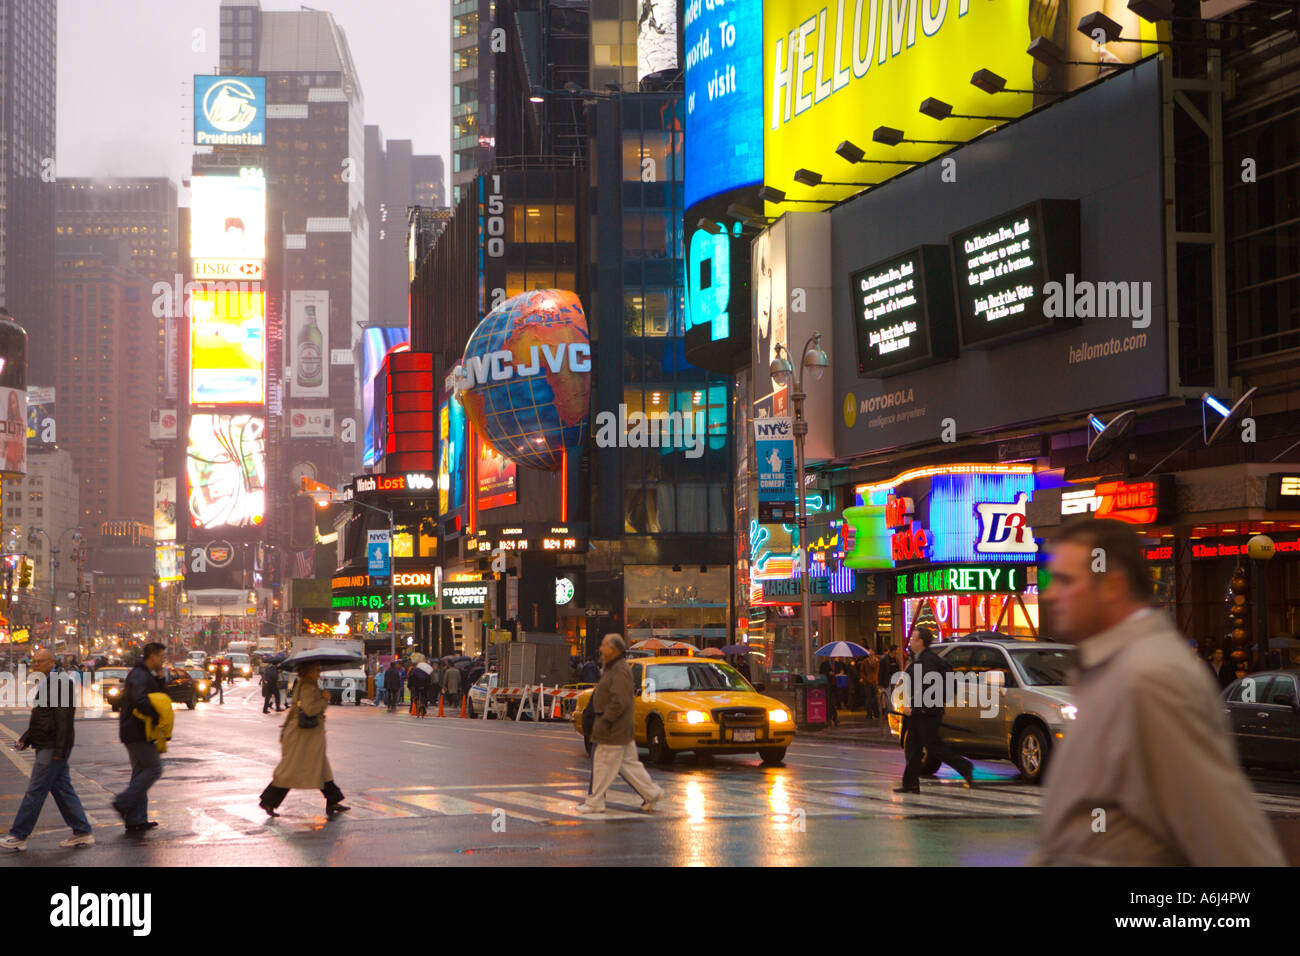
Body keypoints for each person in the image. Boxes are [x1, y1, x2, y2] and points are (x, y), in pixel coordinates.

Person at [1034, 519, 1285, 865]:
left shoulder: (1151, 679)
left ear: (1111, 586)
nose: (1049, 594)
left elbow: (1231, 842)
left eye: (1064, 581)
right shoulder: (1109, 670)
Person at [0, 649, 95, 852]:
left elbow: (63, 720)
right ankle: (82, 831)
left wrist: (60, 750)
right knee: (62, 789)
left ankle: (19, 834)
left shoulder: (60, 683)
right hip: (47, 743)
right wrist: (26, 738)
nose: (35, 665)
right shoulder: (47, 681)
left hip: (53, 746)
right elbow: (44, 717)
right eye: (34, 661)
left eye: (40, 662)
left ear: (52, 662)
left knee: (36, 790)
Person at [576, 633, 665, 814]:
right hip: (619, 729)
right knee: (629, 766)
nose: (600, 649)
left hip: (612, 729)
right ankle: (652, 793)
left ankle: (595, 802)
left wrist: (606, 720)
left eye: (604, 645)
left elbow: (620, 701)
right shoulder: (613, 668)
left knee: (602, 765)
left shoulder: (619, 670)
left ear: (614, 649)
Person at [258, 663, 349, 817]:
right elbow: (310, 709)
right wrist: (324, 699)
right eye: (316, 669)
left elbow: (294, 710)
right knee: (291, 771)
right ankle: (269, 800)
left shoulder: (306, 684)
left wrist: (285, 730)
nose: (319, 672)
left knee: (321, 768)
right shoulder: (308, 686)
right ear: (309, 671)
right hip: (304, 736)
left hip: (305, 735)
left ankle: (333, 800)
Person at [895, 626, 975, 794]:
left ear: (921, 642)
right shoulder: (922, 658)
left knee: (932, 746)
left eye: (913, 639)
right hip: (923, 710)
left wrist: (914, 705)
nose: (910, 642)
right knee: (913, 747)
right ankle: (910, 784)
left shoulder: (927, 661)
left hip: (925, 711)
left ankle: (964, 766)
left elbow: (926, 687)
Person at [112, 642, 168, 834]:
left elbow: (159, 697)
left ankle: (136, 819)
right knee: (154, 768)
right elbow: (141, 700)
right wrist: (156, 716)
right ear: (152, 655)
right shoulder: (139, 675)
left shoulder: (146, 675)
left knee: (140, 773)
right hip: (137, 731)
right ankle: (123, 802)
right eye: (161, 656)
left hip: (137, 730)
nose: (163, 660)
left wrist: (160, 680)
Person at [861, 650, 880, 719]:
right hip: (867, 682)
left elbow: (878, 671)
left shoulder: (877, 661)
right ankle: (869, 714)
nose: (871, 655)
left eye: (872, 654)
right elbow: (862, 672)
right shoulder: (865, 662)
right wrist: (865, 679)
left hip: (874, 681)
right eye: (870, 654)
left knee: (874, 698)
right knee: (868, 698)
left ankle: (876, 713)